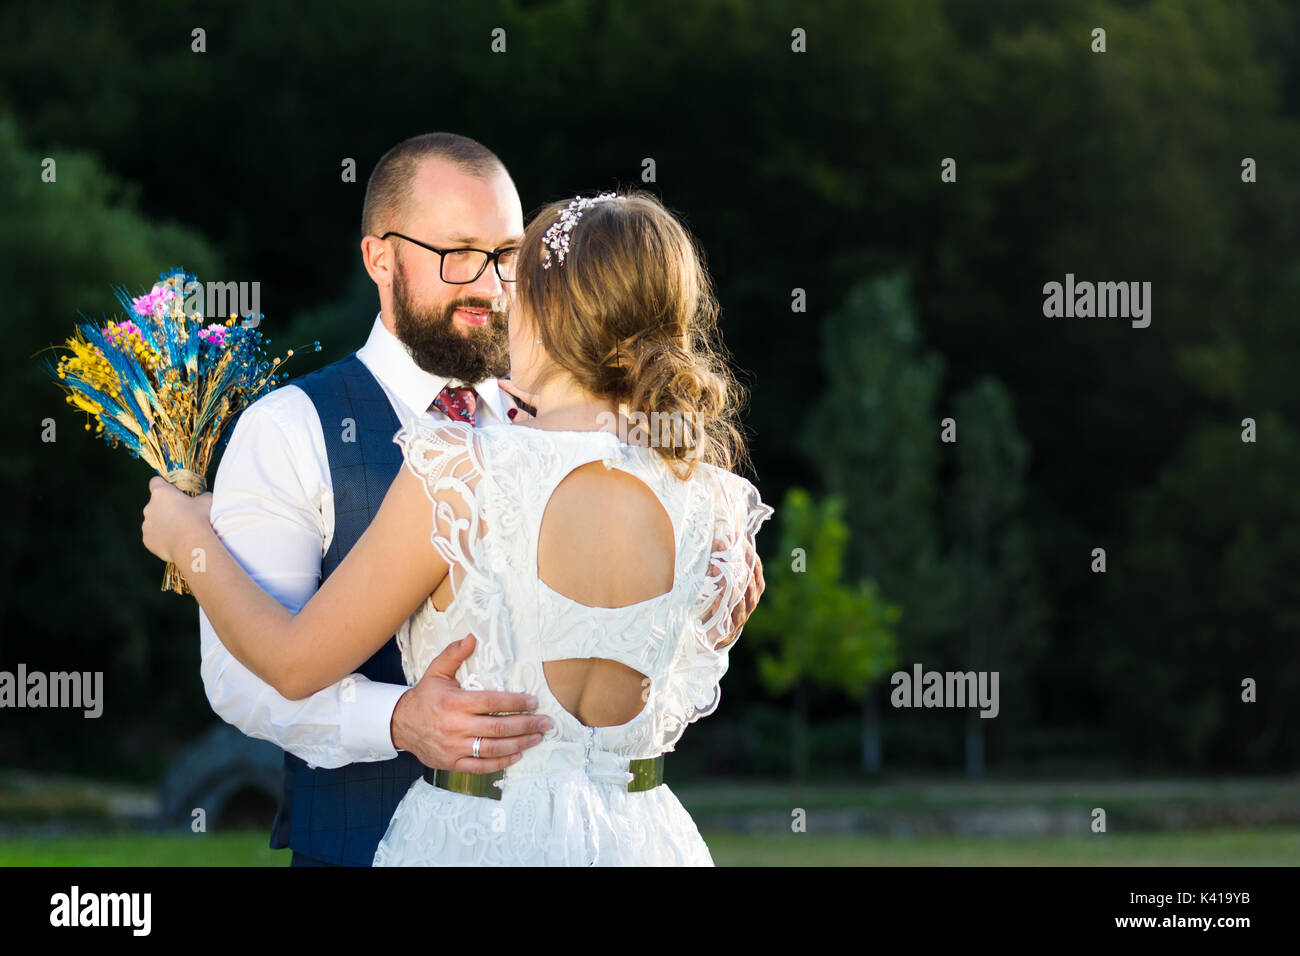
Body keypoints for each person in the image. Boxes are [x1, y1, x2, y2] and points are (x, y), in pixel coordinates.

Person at [146, 187, 772, 865]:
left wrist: (186, 537)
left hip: (481, 835)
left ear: (544, 310)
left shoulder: (463, 470)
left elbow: (293, 664)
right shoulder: (717, 503)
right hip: (645, 838)